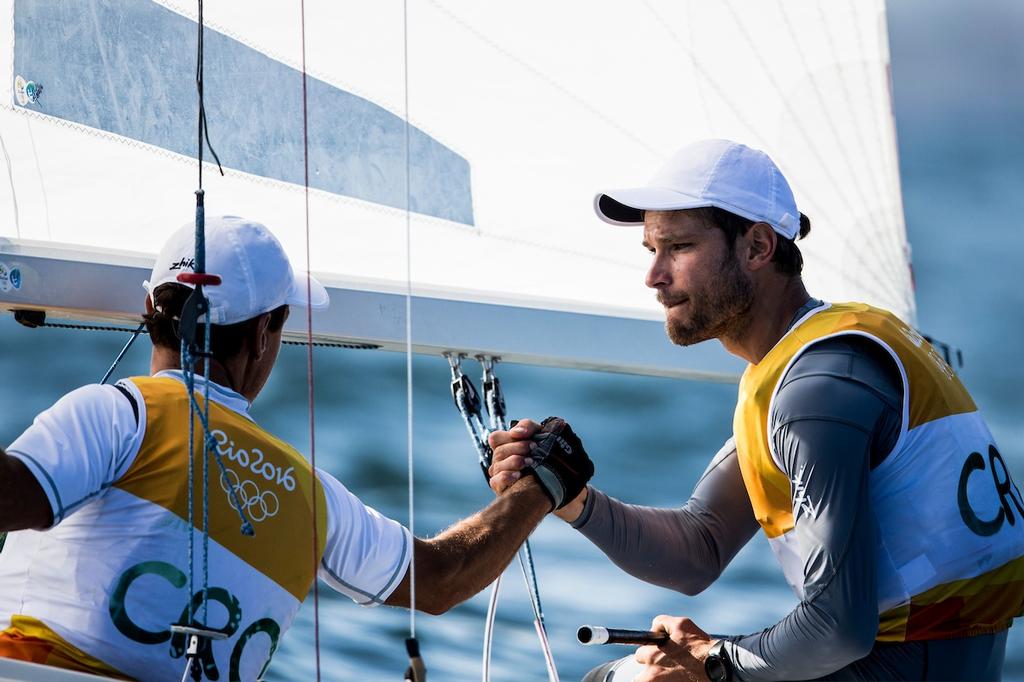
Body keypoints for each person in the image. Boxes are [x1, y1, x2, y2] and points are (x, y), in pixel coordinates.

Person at [489, 139, 1024, 681]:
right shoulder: (813, 362)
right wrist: (575, 499)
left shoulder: (819, 389)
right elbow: (699, 548)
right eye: (650, 250)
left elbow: (839, 627)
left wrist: (713, 660)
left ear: (758, 246)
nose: (654, 276)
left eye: (677, 247)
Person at [0, 215, 593, 681]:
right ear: (262, 335)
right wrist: (539, 487)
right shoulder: (312, 497)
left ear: (150, 310)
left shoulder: (115, 415)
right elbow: (442, 577)